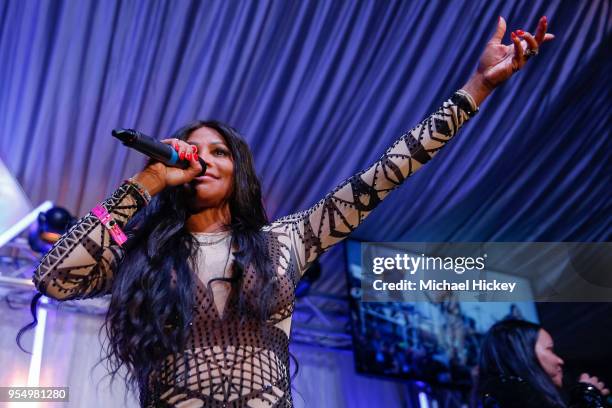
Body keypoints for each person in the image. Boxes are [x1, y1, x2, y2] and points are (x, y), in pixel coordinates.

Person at [30, 16, 554, 407]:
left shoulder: (288, 239)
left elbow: (389, 171)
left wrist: (478, 88)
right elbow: (53, 278)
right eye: (192, 150)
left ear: (240, 171)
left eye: (219, 151)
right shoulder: (142, 253)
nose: (203, 160)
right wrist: (145, 180)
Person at [479, 319, 610, 407]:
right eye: (550, 349)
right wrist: (587, 395)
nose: (560, 360)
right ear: (523, 354)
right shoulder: (507, 393)